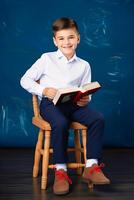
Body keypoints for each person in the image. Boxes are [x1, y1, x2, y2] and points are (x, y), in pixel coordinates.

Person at [20, 17, 110, 195]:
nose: (66, 42)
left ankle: (91, 167)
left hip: (74, 104)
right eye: (61, 38)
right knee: (60, 123)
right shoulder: (47, 59)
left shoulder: (84, 65)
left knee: (97, 118)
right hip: (50, 105)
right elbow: (25, 80)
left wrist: (86, 99)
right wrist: (44, 90)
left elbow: (86, 91)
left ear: (78, 38)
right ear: (55, 41)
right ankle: (61, 171)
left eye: (70, 37)